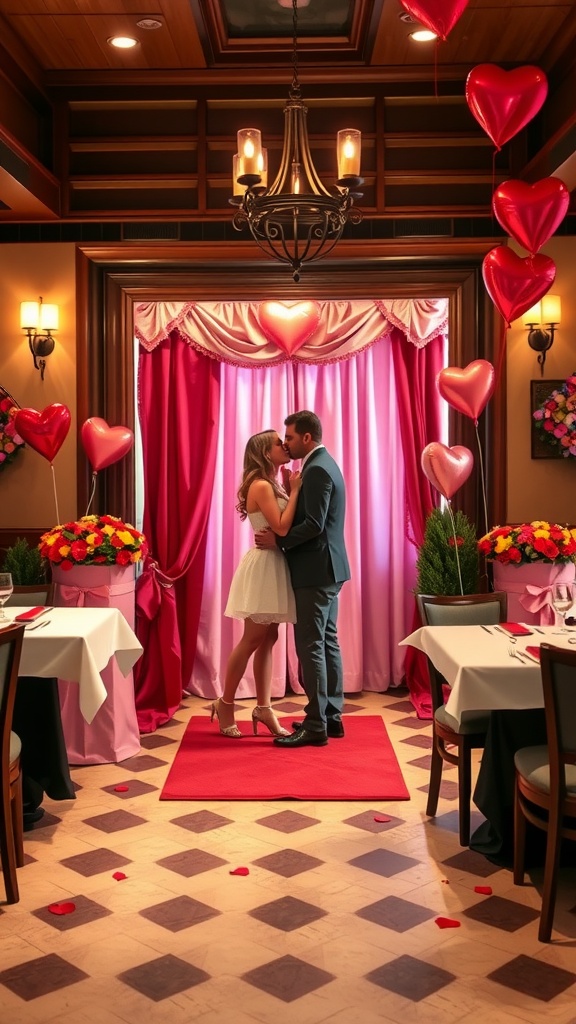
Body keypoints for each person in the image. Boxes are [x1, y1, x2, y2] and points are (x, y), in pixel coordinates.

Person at [255, 410, 350, 748]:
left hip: (316, 570)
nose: (287, 443)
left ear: (307, 438)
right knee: (326, 642)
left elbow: (314, 524)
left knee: (311, 646)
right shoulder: (321, 466)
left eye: (291, 437)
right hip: (328, 568)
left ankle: (315, 725)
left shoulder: (318, 470)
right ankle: (330, 718)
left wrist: (278, 541)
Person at [211, 429, 302, 738]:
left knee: (269, 638)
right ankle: (225, 703)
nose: (285, 445)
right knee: (252, 638)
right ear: (266, 453)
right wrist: (297, 490)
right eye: (279, 443)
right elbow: (281, 525)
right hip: (265, 566)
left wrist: (289, 488)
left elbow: (281, 529)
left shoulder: (270, 483)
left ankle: (263, 707)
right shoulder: (262, 485)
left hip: (275, 564)